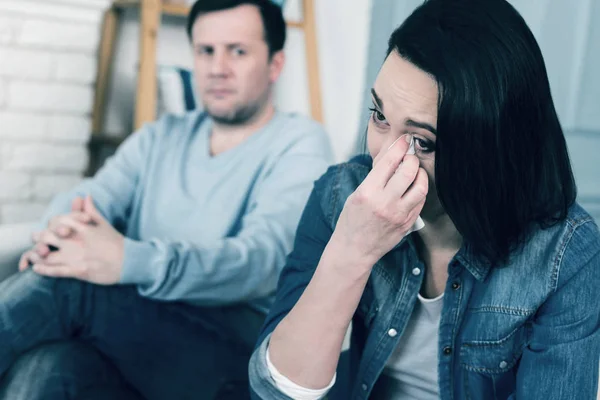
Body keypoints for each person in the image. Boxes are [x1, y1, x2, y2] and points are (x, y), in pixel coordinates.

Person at [248, 0, 600, 399]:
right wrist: (351, 252)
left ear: (492, 150)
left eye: (422, 141)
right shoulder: (340, 195)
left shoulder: (566, 254)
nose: (385, 159)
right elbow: (272, 392)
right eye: (379, 115)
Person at [0, 0, 333, 399]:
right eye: (206, 51)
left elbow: (259, 261)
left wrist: (128, 260)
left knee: (69, 290)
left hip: (228, 359)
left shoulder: (300, 143)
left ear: (275, 65)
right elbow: (91, 195)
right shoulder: (162, 135)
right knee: (49, 365)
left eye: (237, 51)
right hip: (136, 339)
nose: (217, 68)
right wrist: (58, 232)